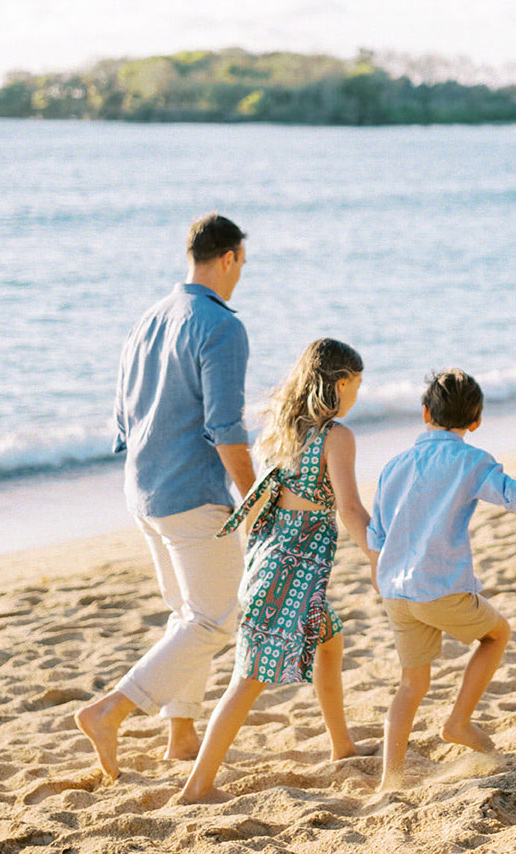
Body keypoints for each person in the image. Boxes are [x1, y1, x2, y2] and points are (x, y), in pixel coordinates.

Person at [76, 213, 255, 780]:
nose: (240, 274)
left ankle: (181, 735)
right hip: (189, 493)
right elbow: (225, 425)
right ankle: (111, 710)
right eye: (242, 263)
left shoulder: (147, 319)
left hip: (141, 489)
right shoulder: (220, 326)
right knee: (217, 619)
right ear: (228, 258)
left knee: (188, 616)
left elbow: (123, 418)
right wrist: (254, 497)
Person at [368, 369, 516, 792]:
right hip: (440, 587)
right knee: (496, 635)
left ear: (425, 413)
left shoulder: (394, 465)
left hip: (395, 591)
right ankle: (458, 721)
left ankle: (391, 778)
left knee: (411, 683)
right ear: (475, 422)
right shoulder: (471, 461)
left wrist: (383, 584)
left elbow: (376, 536)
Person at [176, 338, 375, 804]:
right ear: (341, 383)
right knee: (248, 677)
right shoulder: (336, 436)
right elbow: (348, 506)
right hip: (294, 571)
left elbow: (265, 501)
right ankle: (198, 786)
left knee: (330, 640)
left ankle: (341, 744)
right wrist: (375, 554)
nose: (357, 394)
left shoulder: (283, 429)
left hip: (272, 558)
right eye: (357, 384)